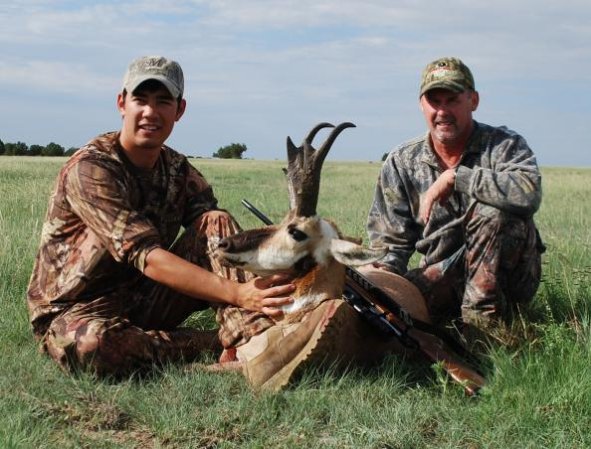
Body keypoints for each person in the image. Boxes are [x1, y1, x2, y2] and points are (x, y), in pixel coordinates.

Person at [26, 55, 296, 378]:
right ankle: (212, 344)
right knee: (93, 347)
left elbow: (219, 238)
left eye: (163, 101)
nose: (150, 112)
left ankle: (255, 337)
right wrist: (239, 293)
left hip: (142, 298)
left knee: (216, 221)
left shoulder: (178, 170)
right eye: (140, 99)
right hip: (75, 312)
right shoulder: (92, 169)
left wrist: (292, 248)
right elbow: (148, 258)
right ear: (122, 103)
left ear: (179, 110)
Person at [367, 57, 545, 344]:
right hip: (444, 275)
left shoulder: (504, 146)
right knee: (377, 309)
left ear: (473, 101)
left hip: (509, 279)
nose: (442, 111)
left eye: (452, 100)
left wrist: (457, 178)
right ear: (421, 105)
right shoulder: (402, 161)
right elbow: (390, 246)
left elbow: (528, 192)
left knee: (490, 210)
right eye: (434, 101)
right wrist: (379, 284)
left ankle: (481, 331)